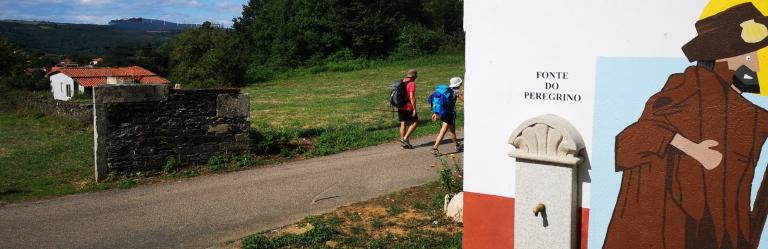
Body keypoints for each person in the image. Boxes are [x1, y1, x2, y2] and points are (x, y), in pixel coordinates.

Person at [604, 3, 768, 248]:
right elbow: (632, 141)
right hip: (672, 233)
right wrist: (691, 148)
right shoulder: (683, 91)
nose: (756, 66)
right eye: (748, 56)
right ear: (721, 57)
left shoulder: (747, 114)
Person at [431, 77, 464, 155]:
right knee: (444, 130)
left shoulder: (446, 90)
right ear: (458, 84)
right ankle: (435, 148)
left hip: (442, 112)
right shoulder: (456, 92)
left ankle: (457, 145)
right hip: (448, 114)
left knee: (452, 130)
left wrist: (435, 112)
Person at [398, 69, 419, 149]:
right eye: (416, 76)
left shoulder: (402, 81)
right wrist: (414, 109)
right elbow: (412, 97)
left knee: (403, 123)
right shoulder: (411, 83)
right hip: (408, 106)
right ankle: (405, 139)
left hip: (400, 105)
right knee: (415, 122)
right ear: (414, 76)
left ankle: (403, 143)